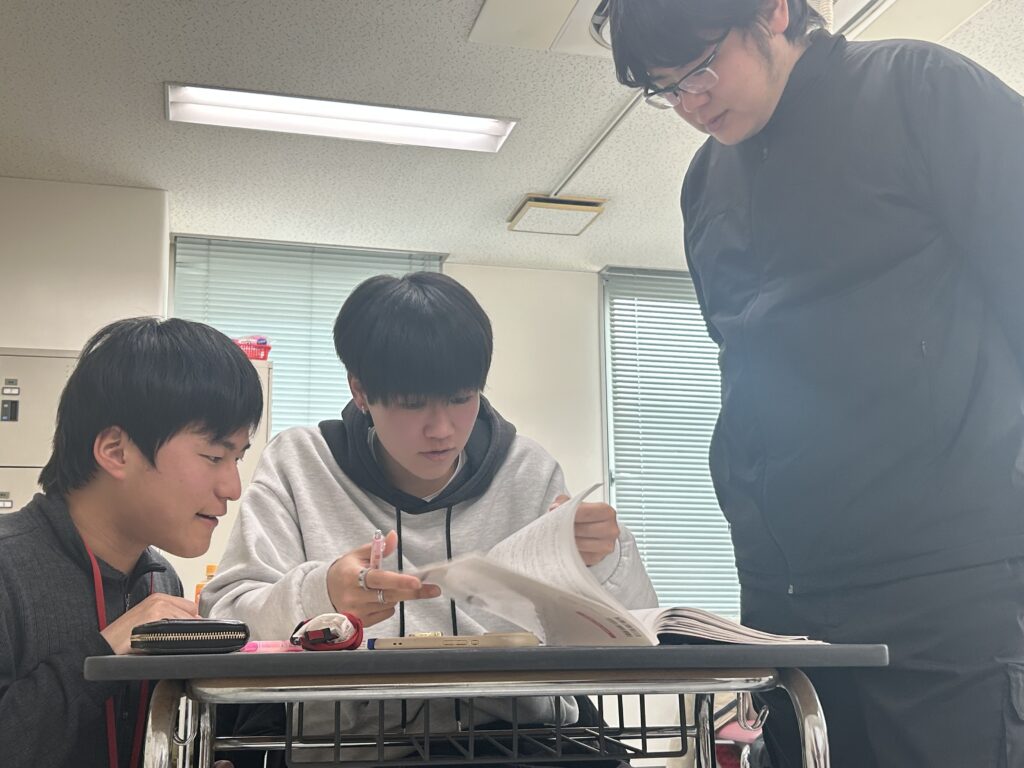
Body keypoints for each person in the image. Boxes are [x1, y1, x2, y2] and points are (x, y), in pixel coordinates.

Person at [608, 1, 1024, 766]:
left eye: (700, 69)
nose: (691, 105)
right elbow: (743, 366)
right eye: (665, 90)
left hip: (943, 590)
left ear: (773, 11)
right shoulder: (706, 184)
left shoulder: (920, 91)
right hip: (783, 602)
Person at [201, 271, 658, 763]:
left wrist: (600, 562)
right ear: (360, 391)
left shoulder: (528, 469)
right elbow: (225, 619)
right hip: (348, 750)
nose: (442, 429)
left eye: (461, 398)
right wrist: (322, 595)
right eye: (412, 404)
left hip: (523, 743)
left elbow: (637, 633)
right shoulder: (300, 463)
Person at [0, 317, 264, 768]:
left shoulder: (160, 581)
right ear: (116, 451)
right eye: (214, 456)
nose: (232, 488)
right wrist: (105, 651)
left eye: (236, 459)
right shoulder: (8, 571)